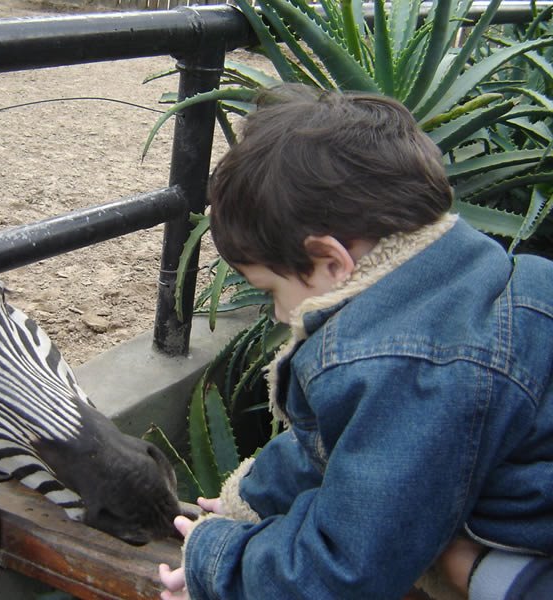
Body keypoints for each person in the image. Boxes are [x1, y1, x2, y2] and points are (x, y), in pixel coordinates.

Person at [158, 84, 553, 599]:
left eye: (271, 291)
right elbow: (334, 443)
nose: (279, 312)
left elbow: (344, 571)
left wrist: (218, 563)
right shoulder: (464, 279)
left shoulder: (411, 367)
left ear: (330, 261)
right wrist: (248, 502)